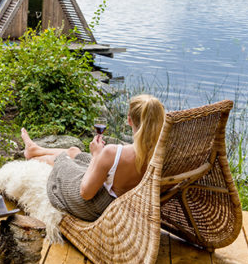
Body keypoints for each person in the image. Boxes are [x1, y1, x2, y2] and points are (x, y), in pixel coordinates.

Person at [21, 94, 165, 222]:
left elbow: (86, 193)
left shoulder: (113, 153)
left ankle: (33, 160)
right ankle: (35, 150)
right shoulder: (163, 154)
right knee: (74, 151)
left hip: (98, 206)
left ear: (129, 120)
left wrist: (97, 156)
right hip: (117, 194)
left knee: (64, 159)